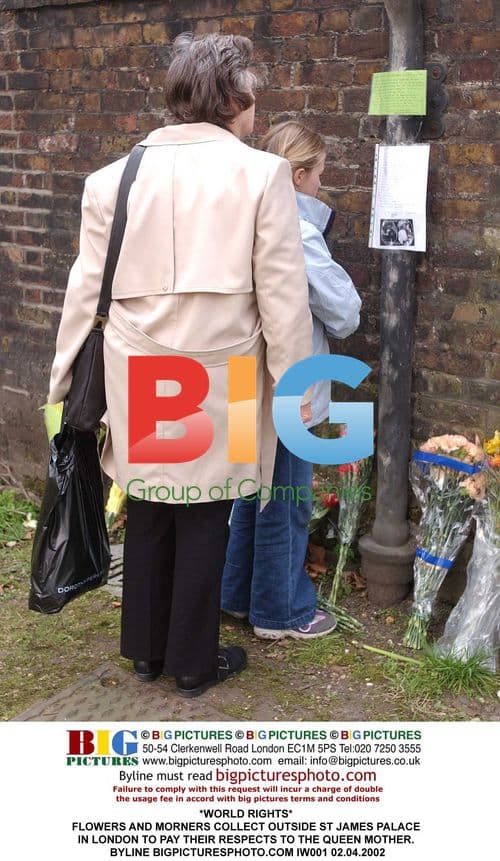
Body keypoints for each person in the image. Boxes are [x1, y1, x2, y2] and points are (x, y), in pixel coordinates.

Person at [46, 34, 313, 697]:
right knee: (208, 512)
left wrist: (61, 386)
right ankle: (192, 661)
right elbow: (283, 298)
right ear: (232, 98)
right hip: (231, 377)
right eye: (252, 96)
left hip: (141, 373)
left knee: (148, 504)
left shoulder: (112, 179)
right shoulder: (263, 175)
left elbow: (85, 292)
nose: (256, 109)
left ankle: (144, 649)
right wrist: (299, 389)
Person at [221, 120, 362, 640]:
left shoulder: (237, 219)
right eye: (319, 173)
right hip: (288, 385)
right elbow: (345, 313)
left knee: (248, 491)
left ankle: (237, 595)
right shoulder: (298, 233)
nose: (322, 184)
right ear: (299, 176)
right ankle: (281, 611)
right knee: (286, 499)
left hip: (242, 377)